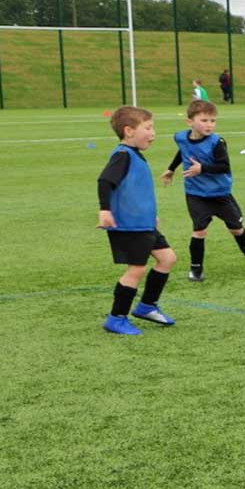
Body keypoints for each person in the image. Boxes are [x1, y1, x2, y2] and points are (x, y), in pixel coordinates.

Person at [96, 106, 178, 335]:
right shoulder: (122, 155)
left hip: (144, 223)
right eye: (148, 128)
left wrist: (151, 214)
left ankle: (146, 306)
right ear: (129, 131)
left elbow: (135, 191)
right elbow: (104, 181)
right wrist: (104, 210)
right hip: (130, 225)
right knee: (137, 269)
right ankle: (116, 317)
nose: (153, 133)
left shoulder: (134, 155)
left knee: (167, 258)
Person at [160, 100, 245, 283]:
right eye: (204, 120)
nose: (209, 125)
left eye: (213, 121)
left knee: (236, 229)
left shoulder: (217, 142)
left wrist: (202, 169)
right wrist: (171, 169)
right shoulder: (181, 137)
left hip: (220, 194)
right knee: (199, 231)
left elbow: (224, 166)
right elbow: (182, 152)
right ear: (189, 122)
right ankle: (196, 268)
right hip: (196, 194)